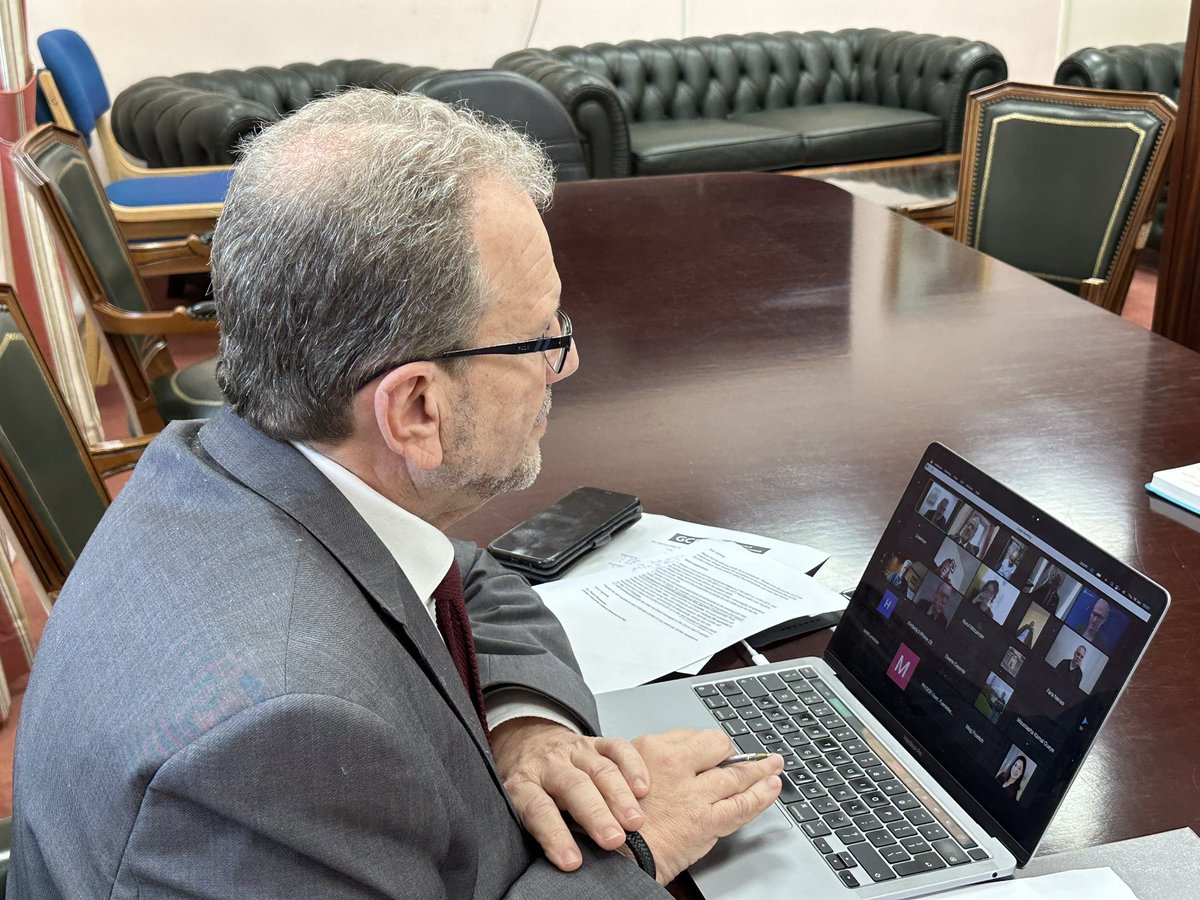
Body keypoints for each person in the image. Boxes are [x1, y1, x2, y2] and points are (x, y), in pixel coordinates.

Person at [8, 91, 784, 897]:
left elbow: (468, 579)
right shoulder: (272, 749)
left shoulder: (229, 464)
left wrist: (525, 726)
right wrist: (635, 847)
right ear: (416, 408)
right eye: (543, 337)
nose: (568, 365)